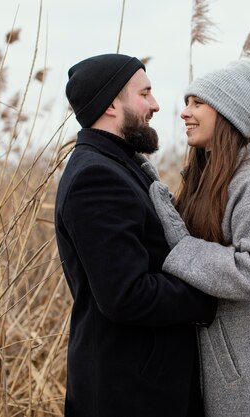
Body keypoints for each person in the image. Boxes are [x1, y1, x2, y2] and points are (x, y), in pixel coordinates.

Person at [55, 53, 217, 417]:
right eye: (145, 94)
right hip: (130, 395)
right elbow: (125, 295)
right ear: (112, 104)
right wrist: (209, 294)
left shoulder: (119, 166)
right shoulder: (96, 178)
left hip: (144, 387)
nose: (156, 105)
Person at [146, 60, 250, 417]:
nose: (184, 113)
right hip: (224, 360)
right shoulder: (207, 178)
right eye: (187, 102)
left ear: (227, 113)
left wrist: (183, 248)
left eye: (198, 103)